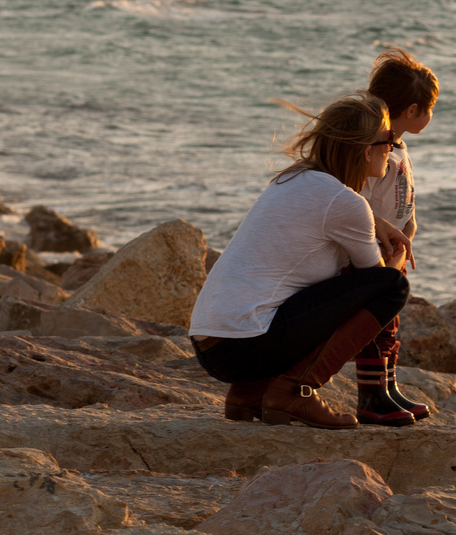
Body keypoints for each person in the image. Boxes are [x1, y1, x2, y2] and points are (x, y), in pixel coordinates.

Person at [188, 92, 411, 429]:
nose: (391, 149)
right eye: (388, 141)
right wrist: (396, 262)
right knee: (392, 287)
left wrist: (374, 221)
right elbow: (374, 285)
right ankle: (295, 390)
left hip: (212, 343)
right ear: (367, 150)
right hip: (246, 343)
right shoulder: (345, 203)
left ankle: (250, 392)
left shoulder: (290, 179)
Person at [352, 48, 439, 425]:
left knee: (391, 323)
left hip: (395, 248)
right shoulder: (375, 151)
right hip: (373, 251)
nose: (431, 116)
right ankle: (371, 396)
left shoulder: (398, 147)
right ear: (413, 111)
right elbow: (353, 201)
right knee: (374, 323)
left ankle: (387, 387)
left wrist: (409, 231)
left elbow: (405, 199)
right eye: (430, 108)